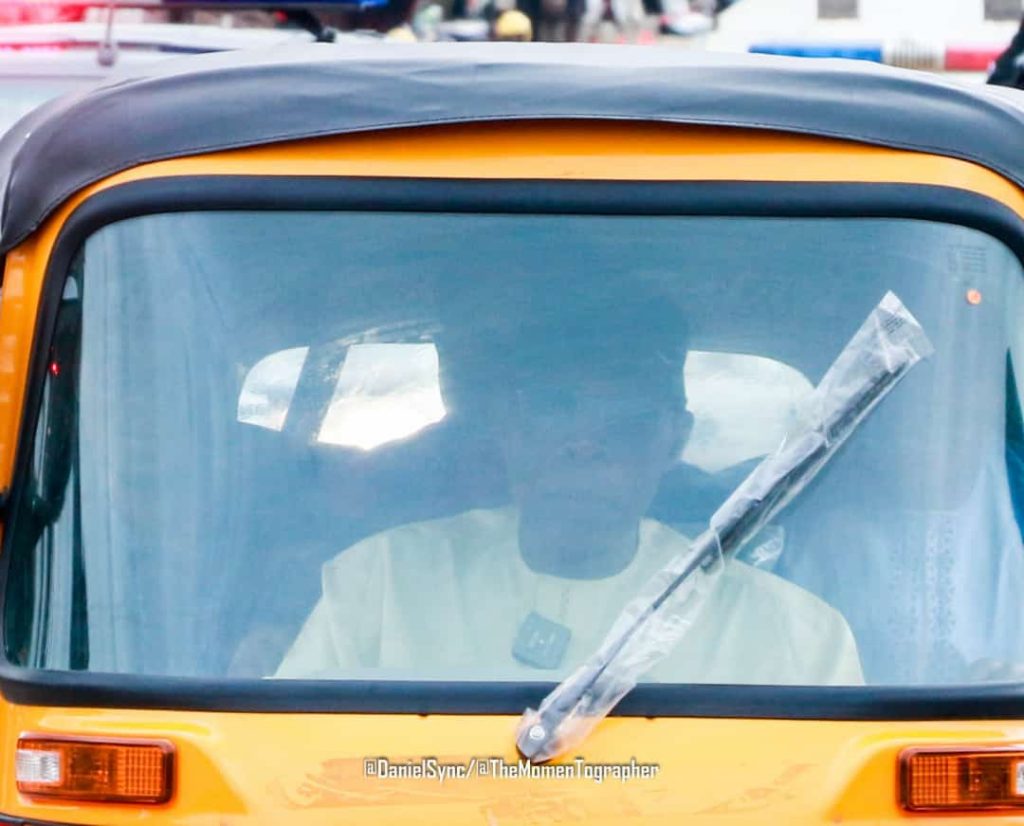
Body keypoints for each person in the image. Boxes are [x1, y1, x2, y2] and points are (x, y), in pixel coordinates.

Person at [275, 290, 862, 685]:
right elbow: (286, 774)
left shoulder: (796, 637)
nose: (586, 442)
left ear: (673, 439)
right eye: (556, 408)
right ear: (506, 426)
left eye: (625, 416)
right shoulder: (379, 584)